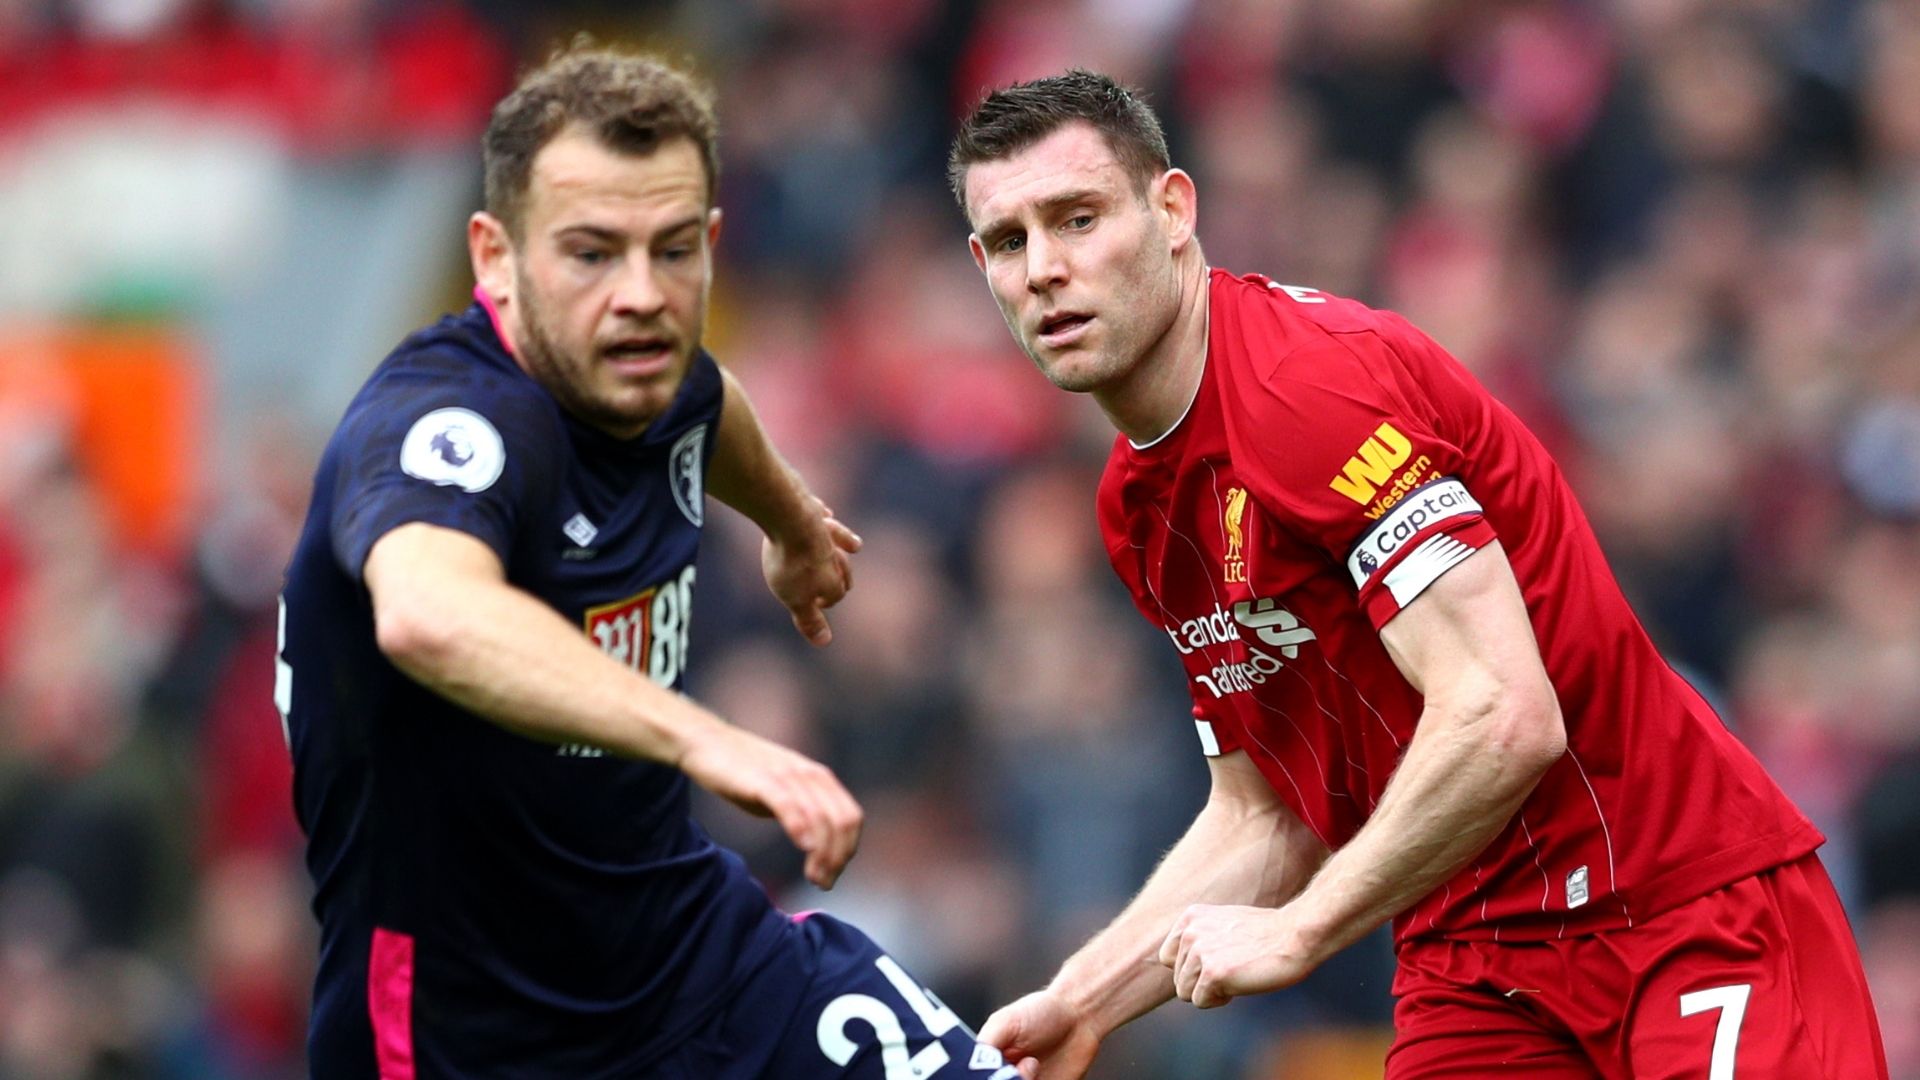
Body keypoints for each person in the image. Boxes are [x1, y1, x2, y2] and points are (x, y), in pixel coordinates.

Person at [948, 70, 1888, 1079]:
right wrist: (1082, 999)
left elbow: (1505, 715)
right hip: (1472, 960)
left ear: (1173, 210)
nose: (1045, 267)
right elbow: (1265, 816)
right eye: (1010, 241)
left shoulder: (1309, 388)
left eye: (1077, 219)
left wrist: (1306, 928)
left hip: (1669, 905)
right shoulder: (1139, 510)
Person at [278, 46, 1020, 1078]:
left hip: (693, 959)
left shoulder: (657, 374)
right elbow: (427, 615)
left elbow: (710, 410)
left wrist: (794, 526)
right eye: (591, 253)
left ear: (713, 242)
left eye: (674, 250)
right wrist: (706, 742)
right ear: (495, 257)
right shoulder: (446, 424)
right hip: (473, 1034)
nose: (641, 294)